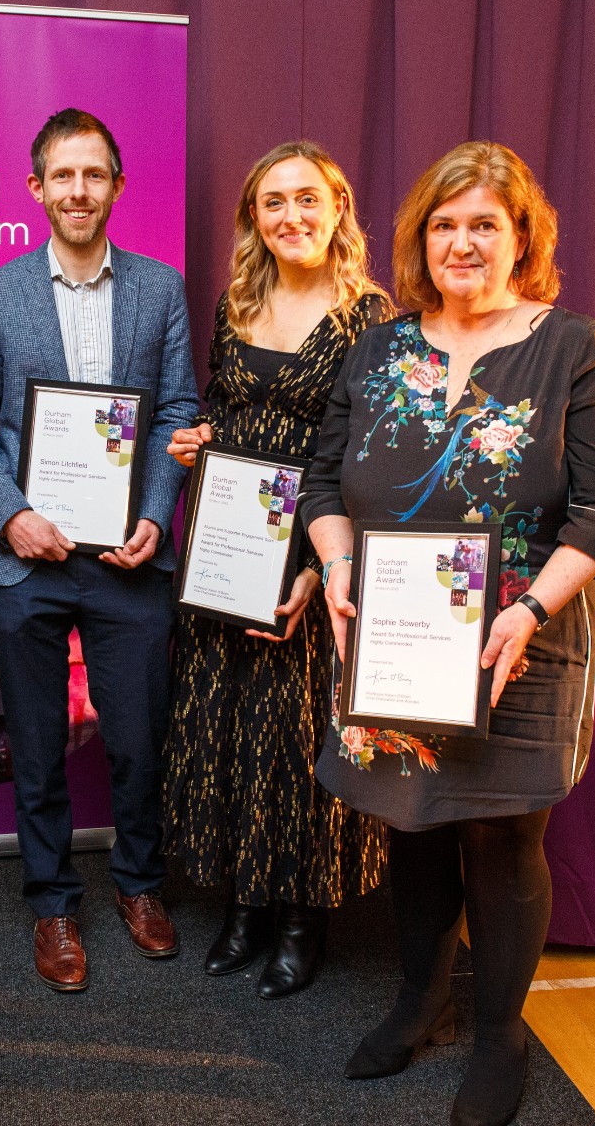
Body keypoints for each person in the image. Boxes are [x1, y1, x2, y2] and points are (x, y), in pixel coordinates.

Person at [301, 141, 595, 1125]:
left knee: (500, 832)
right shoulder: (377, 348)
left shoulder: (574, 347)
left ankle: (499, 1038)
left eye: (485, 223)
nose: (463, 242)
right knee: (410, 822)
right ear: (419, 239)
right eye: (445, 224)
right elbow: (322, 484)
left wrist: (530, 609)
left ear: (522, 237)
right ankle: (420, 1003)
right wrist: (334, 562)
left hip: (519, 641)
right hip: (396, 632)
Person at [0, 108, 199, 992]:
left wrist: (153, 514)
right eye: (62, 176)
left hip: (127, 560)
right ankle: (52, 902)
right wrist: (11, 514)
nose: (78, 191)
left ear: (116, 186)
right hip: (26, 558)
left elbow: (176, 411)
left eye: (94, 175)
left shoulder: (159, 289)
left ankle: (140, 886)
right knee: (35, 743)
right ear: (36, 189)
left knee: (139, 739)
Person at [164, 142, 392, 998]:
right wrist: (199, 441)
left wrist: (316, 569)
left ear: (337, 205)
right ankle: (245, 905)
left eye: (305, 198)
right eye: (271, 203)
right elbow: (226, 410)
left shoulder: (372, 319)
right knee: (224, 724)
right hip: (226, 547)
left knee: (296, 740)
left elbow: (375, 460)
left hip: (310, 552)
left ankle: (303, 920)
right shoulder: (238, 302)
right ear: (252, 218)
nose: (289, 216)